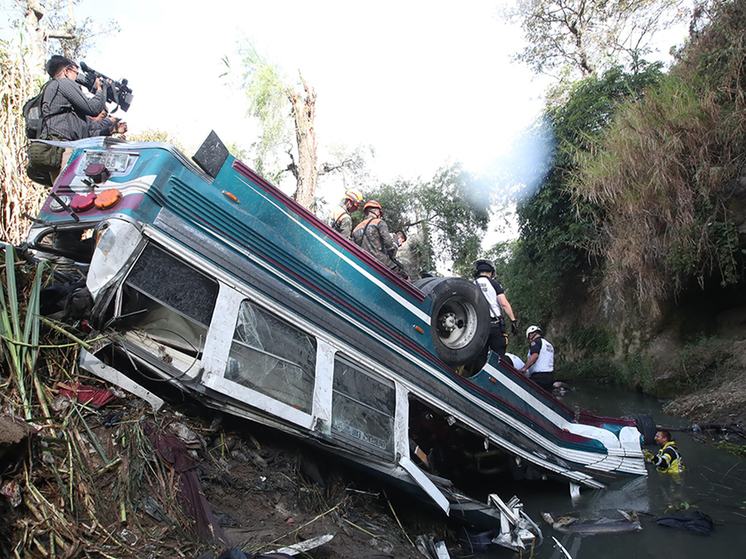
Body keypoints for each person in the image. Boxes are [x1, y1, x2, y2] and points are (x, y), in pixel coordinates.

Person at [351, 201, 408, 279]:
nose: (380, 215)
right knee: (403, 275)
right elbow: (388, 243)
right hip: (380, 261)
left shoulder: (356, 229)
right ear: (376, 211)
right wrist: (392, 258)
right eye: (380, 213)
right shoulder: (379, 222)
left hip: (363, 262)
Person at [473, 259, 517, 359]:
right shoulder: (495, 285)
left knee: (479, 357)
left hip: (478, 327)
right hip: (495, 326)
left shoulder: (471, 284)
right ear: (491, 273)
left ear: (478, 272)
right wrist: (513, 320)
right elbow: (504, 304)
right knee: (498, 357)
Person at [519, 325, 555, 390]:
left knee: (525, 390)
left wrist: (524, 368)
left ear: (530, 335)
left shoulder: (535, 342)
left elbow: (535, 355)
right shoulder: (549, 345)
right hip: (550, 376)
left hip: (539, 377)